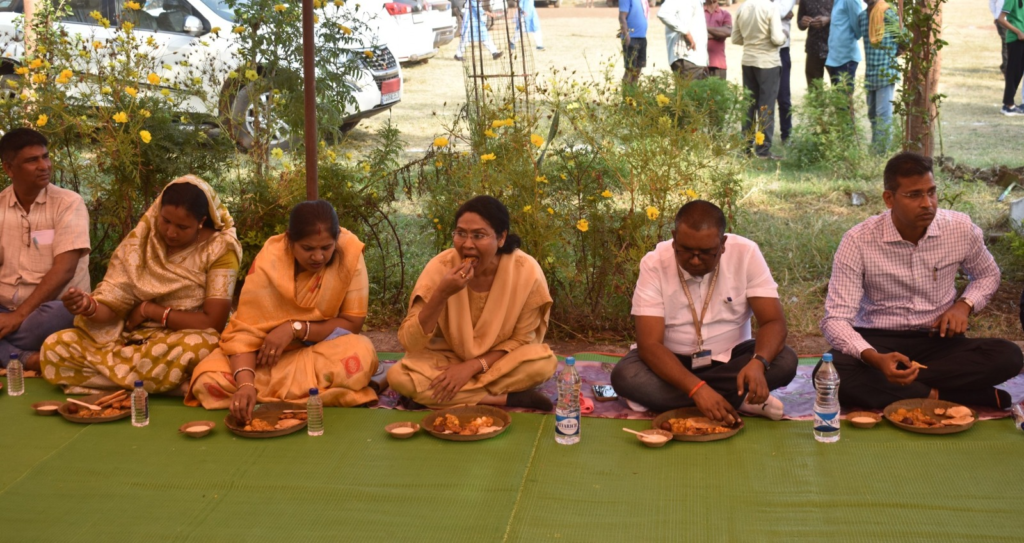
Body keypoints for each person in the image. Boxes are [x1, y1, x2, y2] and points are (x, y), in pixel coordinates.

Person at [819, 152, 1023, 410]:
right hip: (877, 340)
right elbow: (835, 319)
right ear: (889, 199)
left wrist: (964, 305)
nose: (927, 203)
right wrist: (875, 359)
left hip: (939, 341)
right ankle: (951, 396)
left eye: (931, 192)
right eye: (914, 195)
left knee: (1007, 356)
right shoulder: (858, 241)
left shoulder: (959, 228)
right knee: (831, 371)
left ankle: (903, 386)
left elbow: (988, 274)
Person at [40, 176, 240, 394]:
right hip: (130, 339)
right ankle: (168, 384)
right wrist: (87, 306)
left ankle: (116, 379)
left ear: (202, 221)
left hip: (181, 338)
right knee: (54, 346)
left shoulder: (221, 248)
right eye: (166, 221)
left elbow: (213, 322)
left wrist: (151, 310)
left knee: (203, 345)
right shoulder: (143, 240)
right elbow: (114, 300)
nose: (171, 232)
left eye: (182, 227)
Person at [187, 201, 379, 419]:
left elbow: (352, 324)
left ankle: (264, 393)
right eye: (308, 248)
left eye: (326, 248)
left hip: (320, 351)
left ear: (336, 239)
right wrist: (246, 384)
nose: (318, 257)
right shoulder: (270, 259)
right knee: (207, 378)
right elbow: (244, 333)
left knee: (361, 353)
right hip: (267, 357)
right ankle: (308, 393)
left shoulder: (350, 253)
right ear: (289, 240)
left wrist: (294, 329)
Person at [611, 201, 797, 422]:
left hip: (731, 360)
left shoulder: (746, 254)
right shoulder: (654, 263)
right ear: (674, 239)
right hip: (671, 364)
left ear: (723, 243)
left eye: (706, 253)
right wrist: (697, 389)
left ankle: (675, 401)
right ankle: (738, 399)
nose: (695, 259)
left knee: (785, 360)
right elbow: (649, 345)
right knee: (627, 376)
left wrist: (758, 363)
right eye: (686, 251)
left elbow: (773, 322)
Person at [388, 196, 557, 410]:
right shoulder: (440, 268)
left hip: (499, 362)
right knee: (399, 376)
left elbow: (522, 340)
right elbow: (410, 343)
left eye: (478, 235)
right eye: (460, 234)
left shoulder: (526, 272)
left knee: (543, 363)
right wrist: (442, 294)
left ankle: (439, 395)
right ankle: (502, 398)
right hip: (446, 360)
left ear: (501, 238)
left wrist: (471, 368)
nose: (467, 244)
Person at [0, 128, 90, 373]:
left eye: (45, 157)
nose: (44, 166)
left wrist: (18, 316)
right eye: (32, 160)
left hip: (49, 310)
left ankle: (7, 353)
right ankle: (26, 358)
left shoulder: (68, 204)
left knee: (62, 314)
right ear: (9, 169)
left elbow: (65, 270)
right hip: (4, 309)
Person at [732, 0, 787, 159]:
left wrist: (751, 40)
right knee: (766, 107)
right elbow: (777, 39)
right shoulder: (771, 7)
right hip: (768, 62)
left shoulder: (742, 7)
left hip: (748, 60)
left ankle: (746, 147)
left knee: (749, 106)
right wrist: (784, 35)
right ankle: (763, 149)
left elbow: (736, 39)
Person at [855, 0, 901, 152]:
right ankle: (876, 149)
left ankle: (881, 153)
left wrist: (895, 53)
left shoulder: (887, 13)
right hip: (870, 74)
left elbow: (906, 37)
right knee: (872, 115)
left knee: (883, 115)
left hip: (886, 72)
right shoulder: (862, 17)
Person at [659, 0, 708, 80]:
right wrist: (685, 32)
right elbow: (663, 14)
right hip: (686, 58)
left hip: (695, 60)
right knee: (688, 88)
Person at [824, 0, 863, 95]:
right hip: (834, 58)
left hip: (846, 58)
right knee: (838, 99)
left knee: (845, 99)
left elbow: (858, 25)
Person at [796, 0, 833, 86]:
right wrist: (803, 22)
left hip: (833, 49)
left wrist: (828, 19)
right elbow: (800, 23)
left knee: (839, 86)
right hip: (813, 49)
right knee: (814, 88)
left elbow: (843, 17)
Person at [776, 0, 798, 144]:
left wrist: (781, 14)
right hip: (763, 49)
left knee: (783, 96)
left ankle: (786, 135)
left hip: (782, 49)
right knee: (763, 97)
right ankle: (762, 137)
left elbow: (782, 11)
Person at [998, 0, 1024, 115]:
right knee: (1013, 72)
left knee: (1019, 72)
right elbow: (1001, 18)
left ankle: (1010, 103)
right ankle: (1008, 105)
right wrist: (1018, 32)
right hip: (1015, 39)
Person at [619, 0, 650, 85]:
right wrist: (626, 35)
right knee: (630, 69)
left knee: (638, 69)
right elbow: (622, 17)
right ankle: (626, 92)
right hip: (631, 37)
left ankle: (634, 91)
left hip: (642, 37)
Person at [704, 0, 732, 79]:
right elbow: (693, 32)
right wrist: (717, 34)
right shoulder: (697, 12)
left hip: (718, 64)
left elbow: (727, 32)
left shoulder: (725, 14)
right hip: (698, 64)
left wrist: (704, 28)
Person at [992, 0, 1008, 75]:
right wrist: (996, 16)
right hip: (1002, 21)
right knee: (1006, 43)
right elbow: (992, 2)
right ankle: (1006, 68)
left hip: (1015, 21)